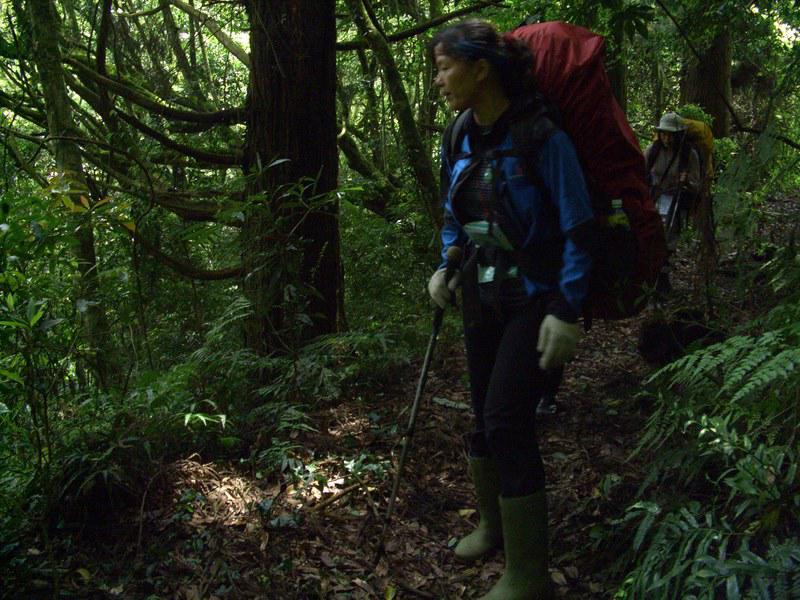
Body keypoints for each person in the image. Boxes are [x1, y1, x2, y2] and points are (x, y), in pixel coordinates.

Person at [427, 19, 594, 599]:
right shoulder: (459, 135)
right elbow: (456, 213)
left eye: (444, 68)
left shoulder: (542, 137)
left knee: (506, 420)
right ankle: (492, 527)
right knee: (482, 417)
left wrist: (566, 310)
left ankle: (528, 573)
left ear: (480, 69)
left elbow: (579, 227)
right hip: (482, 293)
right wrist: (446, 263)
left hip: (535, 297)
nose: (438, 81)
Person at [644, 112, 701, 243]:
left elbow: (696, 184)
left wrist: (686, 180)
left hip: (677, 200)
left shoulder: (689, 154)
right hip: (654, 197)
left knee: (671, 235)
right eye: (664, 134)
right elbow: (641, 173)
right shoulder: (652, 151)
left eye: (670, 135)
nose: (666, 138)